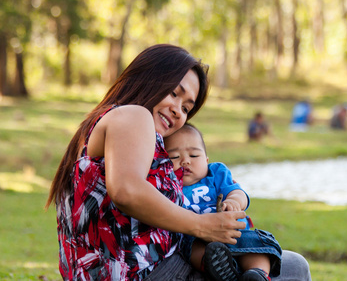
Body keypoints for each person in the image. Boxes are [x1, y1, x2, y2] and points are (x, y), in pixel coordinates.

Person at [45, 44, 312, 280]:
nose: (177, 110)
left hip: (143, 269)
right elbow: (126, 190)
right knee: (294, 268)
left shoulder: (112, 125)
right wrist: (202, 225)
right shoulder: (132, 116)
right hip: (149, 273)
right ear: (148, 79)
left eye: (186, 107)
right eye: (174, 93)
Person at [165, 124, 281, 281]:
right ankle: (218, 270)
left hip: (235, 233)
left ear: (206, 160)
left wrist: (233, 201)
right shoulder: (169, 186)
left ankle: (257, 273)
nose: (185, 161)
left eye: (193, 155)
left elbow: (238, 193)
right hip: (199, 239)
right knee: (192, 250)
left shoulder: (216, 173)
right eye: (174, 157)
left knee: (257, 246)